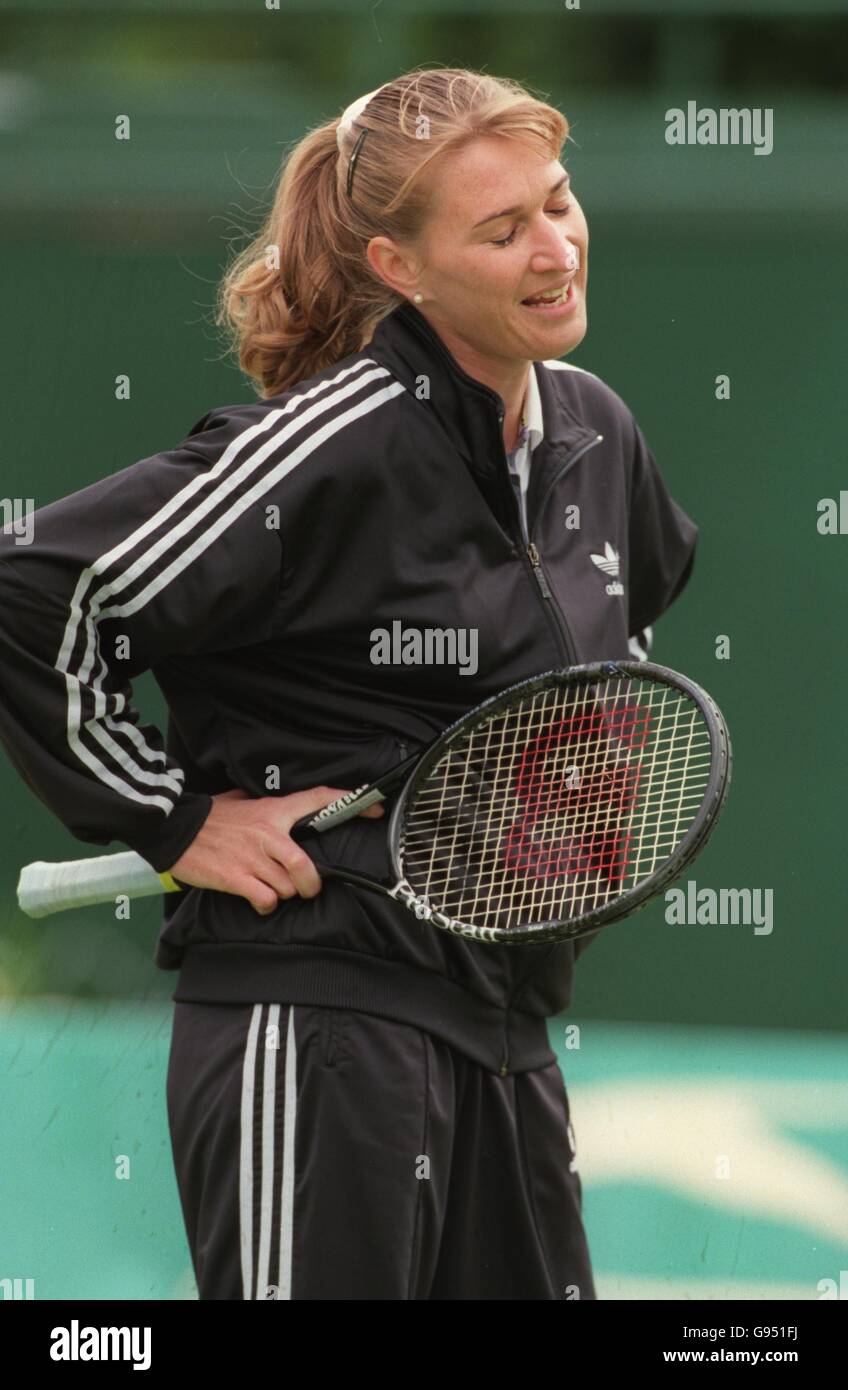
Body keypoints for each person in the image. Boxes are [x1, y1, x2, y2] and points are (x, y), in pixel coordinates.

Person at [0, 67, 697, 1300]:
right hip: (316, 1024)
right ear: (399, 266)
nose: (554, 248)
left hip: (504, 1033)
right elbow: (32, 592)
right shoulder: (323, 447)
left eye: (558, 200)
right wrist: (173, 817)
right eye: (502, 230)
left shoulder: (597, 434)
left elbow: (602, 666)